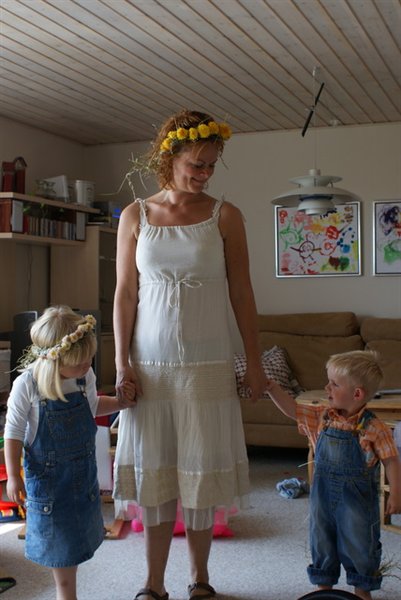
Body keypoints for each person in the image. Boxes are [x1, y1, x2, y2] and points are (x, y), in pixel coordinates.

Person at [112, 109, 266, 600]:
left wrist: (255, 362)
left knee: (201, 475)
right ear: (169, 158)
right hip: (149, 365)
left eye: (211, 165)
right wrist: (121, 362)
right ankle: (153, 583)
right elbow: (124, 294)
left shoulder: (226, 216)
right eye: (196, 164)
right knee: (156, 477)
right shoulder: (135, 215)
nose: (204, 174)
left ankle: (200, 579)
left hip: (207, 362)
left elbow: (242, 292)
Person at [4, 305, 136, 600]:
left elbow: (92, 407)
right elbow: (13, 432)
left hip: (82, 484)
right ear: (54, 359)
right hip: (51, 492)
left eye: (89, 359)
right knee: (61, 559)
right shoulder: (28, 385)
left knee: (74, 551)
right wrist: (13, 475)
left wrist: (120, 403)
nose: (87, 365)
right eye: (79, 362)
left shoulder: (83, 377)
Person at [264, 350, 401, 600]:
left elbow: (391, 460)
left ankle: (362, 591)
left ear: (357, 394)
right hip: (322, 498)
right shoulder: (322, 417)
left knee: (360, 542)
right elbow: (294, 410)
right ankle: (323, 588)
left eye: (334, 384)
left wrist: (396, 493)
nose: (327, 388)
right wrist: (272, 388)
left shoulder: (374, 427)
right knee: (321, 539)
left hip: (357, 503)